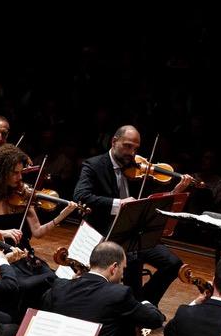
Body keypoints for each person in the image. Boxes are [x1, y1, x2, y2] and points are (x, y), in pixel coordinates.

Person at [72, 124, 192, 305]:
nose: (132, 153)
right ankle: (135, 303)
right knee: (134, 261)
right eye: (127, 146)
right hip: (110, 232)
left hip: (135, 231)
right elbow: (81, 197)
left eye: (135, 148)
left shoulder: (139, 170)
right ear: (114, 141)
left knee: (173, 264)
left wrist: (175, 191)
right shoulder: (94, 165)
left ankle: (145, 303)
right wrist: (119, 204)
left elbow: (152, 203)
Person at [0, 142, 73, 307]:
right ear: (1, 173)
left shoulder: (24, 197)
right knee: (24, 287)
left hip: (25, 257)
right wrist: (1, 232)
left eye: (21, 173)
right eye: (15, 173)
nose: (20, 178)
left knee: (52, 280)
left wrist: (62, 216)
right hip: (0, 259)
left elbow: (38, 231)